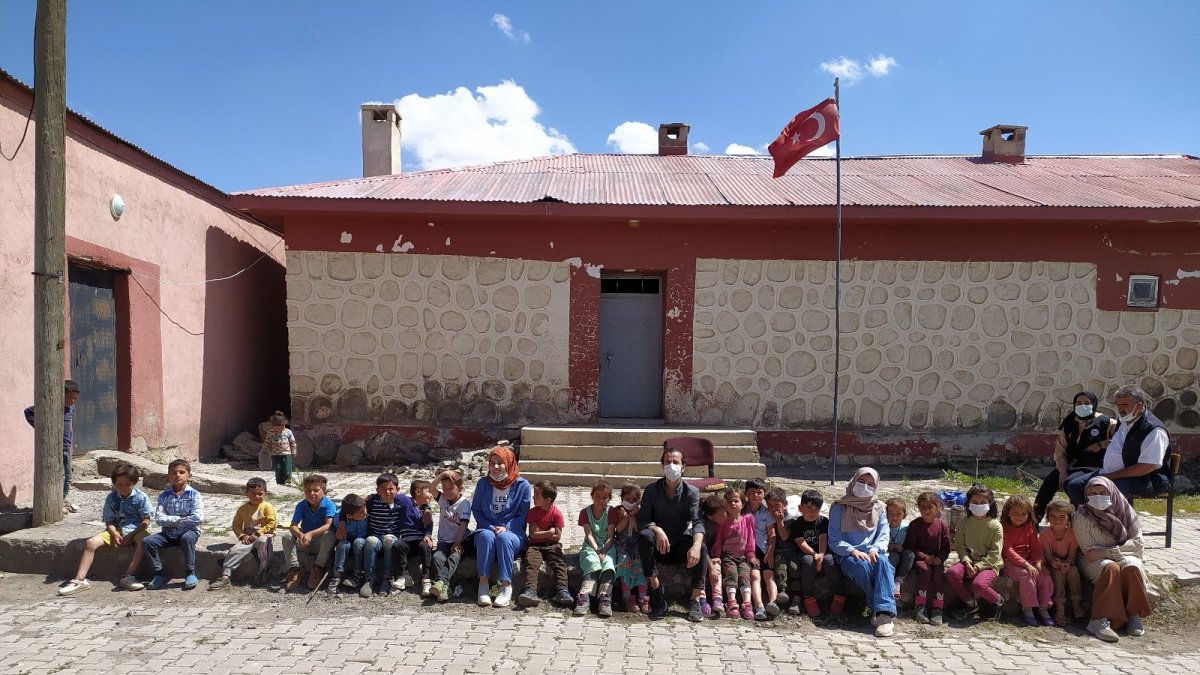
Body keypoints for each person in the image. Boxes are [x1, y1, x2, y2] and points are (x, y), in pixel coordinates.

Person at [637, 447, 710, 622]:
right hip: (658, 546)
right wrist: (657, 529)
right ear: (662, 465)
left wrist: (695, 546)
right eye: (667, 462)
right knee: (645, 536)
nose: (671, 466)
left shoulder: (692, 492)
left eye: (675, 462)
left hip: (678, 544)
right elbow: (642, 520)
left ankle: (695, 599)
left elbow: (698, 522)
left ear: (683, 466)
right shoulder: (651, 490)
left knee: (701, 547)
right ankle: (655, 588)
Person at [1074, 475, 1151, 643]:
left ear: (1112, 493)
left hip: (1120, 555)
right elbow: (1090, 553)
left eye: (1103, 493)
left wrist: (1109, 552)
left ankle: (1133, 614)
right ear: (1087, 495)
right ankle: (1098, 620)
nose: (1098, 497)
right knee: (1110, 568)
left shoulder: (1125, 510)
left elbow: (1138, 544)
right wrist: (1119, 551)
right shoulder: (1081, 516)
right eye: (1093, 493)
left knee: (1132, 566)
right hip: (1091, 562)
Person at [1065, 385, 1169, 506]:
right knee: (1074, 486)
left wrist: (1110, 476)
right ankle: (1091, 516)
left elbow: (1147, 466)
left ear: (1139, 405)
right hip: (1111, 472)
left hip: (1144, 478)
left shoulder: (1153, 430)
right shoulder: (1124, 420)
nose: (1120, 409)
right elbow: (1123, 444)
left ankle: (1109, 517)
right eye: (1118, 405)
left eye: (1124, 405)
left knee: (1103, 491)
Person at [58, 462, 152, 595]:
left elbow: (146, 520)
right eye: (119, 484)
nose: (123, 488)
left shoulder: (141, 497)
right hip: (117, 530)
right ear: (114, 483)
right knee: (91, 543)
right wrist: (114, 534)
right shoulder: (111, 498)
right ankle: (79, 580)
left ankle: (128, 576)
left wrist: (131, 534)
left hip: (137, 530)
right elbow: (109, 521)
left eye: (127, 484)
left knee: (144, 541)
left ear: (134, 483)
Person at [828, 467, 896, 637]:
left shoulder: (880, 508)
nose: (865, 486)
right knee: (862, 567)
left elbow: (884, 534)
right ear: (854, 481)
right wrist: (852, 551)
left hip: (874, 553)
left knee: (883, 562)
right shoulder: (839, 507)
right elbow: (834, 539)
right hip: (848, 555)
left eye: (870, 484)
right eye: (861, 481)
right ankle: (879, 610)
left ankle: (884, 616)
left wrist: (875, 549)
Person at [1036, 391, 1115, 522]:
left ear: (1094, 404)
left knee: (1072, 483)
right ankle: (1035, 518)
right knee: (1051, 480)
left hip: (1096, 468)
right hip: (1074, 466)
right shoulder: (1070, 425)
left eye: (1086, 403)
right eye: (1079, 403)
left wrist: (1101, 444)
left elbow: (1122, 442)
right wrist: (1062, 471)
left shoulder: (1107, 423)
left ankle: (1077, 520)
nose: (1082, 406)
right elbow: (1060, 451)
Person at [471, 445, 531, 608]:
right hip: (487, 528)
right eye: (492, 463)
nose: (495, 467)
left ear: (509, 463)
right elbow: (477, 510)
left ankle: (506, 586)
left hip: (513, 532)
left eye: (500, 463)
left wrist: (507, 527)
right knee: (485, 536)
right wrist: (489, 526)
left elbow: (523, 515)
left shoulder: (522, 485)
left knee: (504, 538)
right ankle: (483, 585)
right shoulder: (483, 484)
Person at [143, 459, 205, 591]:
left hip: (189, 532)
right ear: (168, 476)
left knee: (187, 538)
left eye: (181, 472)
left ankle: (190, 573)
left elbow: (197, 518)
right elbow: (159, 519)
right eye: (173, 473)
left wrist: (170, 520)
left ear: (189, 476)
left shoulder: (194, 495)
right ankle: (159, 573)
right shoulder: (164, 496)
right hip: (168, 534)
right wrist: (179, 519)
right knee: (148, 541)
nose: (177, 475)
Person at [784, 489, 846, 618]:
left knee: (830, 560)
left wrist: (821, 555)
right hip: (806, 553)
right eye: (809, 508)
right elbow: (801, 542)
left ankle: (840, 593)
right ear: (800, 508)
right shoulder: (797, 524)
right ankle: (808, 596)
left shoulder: (823, 521)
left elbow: (823, 539)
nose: (812, 512)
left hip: (823, 551)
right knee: (808, 561)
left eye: (816, 509)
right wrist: (814, 555)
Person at [947, 484, 1004, 622]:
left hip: (989, 564)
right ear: (968, 503)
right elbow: (960, 546)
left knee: (978, 585)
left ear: (990, 503)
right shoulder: (963, 523)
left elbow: (995, 554)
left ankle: (997, 600)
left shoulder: (995, 525)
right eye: (975, 502)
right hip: (968, 561)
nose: (979, 505)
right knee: (952, 573)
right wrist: (967, 562)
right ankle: (970, 603)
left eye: (983, 502)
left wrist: (978, 567)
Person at [209, 477, 277, 590]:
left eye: (260, 494)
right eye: (253, 493)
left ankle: (264, 570)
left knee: (263, 543)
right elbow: (236, 525)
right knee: (235, 550)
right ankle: (225, 575)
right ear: (247, 493)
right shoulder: (242, 509)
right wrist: (243, 535)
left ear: (265, 493)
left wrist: (258, 533)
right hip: (248, 536)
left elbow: (272, 523)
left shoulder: (267, 507)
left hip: (264, 534)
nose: (257, 496)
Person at [24, 379, 80, 512]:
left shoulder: (71, 408)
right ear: (61, 395)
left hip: (67, 448)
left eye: (75, 398)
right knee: (60, 476)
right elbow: (28, 412)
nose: (72, 401)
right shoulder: (53, 406)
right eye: (70, 398)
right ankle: (56, 504)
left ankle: (62, 500)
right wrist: (42, 428)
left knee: (68, 477)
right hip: (55, 448)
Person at [1000, 494, 1054, 626]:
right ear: (1008, 512)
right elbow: (1008, 550)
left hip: (1027, 559)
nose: (1019, 517)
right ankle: (1028, 608)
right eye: (1015, 513)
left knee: (1044, 575)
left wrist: (1038, 562)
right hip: (1010, 562)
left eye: (1023, 514)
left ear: (1029, 514)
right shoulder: (1004, 528)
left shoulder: (1029, 527)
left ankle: (1043, 607)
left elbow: (1036, 548)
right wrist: (1026, 565)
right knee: (1026, 575)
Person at [361, 472, 416, 598]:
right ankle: (369, 579)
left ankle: (387, 578)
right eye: (383, 489)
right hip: (375, 536)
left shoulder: (401, 503)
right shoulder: (372, 502)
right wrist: (362, 498)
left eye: (391, 489)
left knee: (389, 540)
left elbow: (419, 504)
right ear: (377, 490)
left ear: (397, 489)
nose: (387, 492)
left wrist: (428, 509)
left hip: (392, 537)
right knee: (370, 541)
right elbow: (352, 504)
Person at [278, 473, 336, 592]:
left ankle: (317, 569)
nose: (311, 494)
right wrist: (301, 535)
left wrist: (311, 534)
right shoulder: (302, 505)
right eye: (308, 491)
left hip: (320, 541)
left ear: (324, 492)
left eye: (316, 490)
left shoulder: (329, 505)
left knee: (330, 535)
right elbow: (293, 525)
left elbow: (328, 525)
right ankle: (295, 570)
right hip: (305, 541)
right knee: (287, 536)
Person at [518, 479, 571, 608]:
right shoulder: (533, 512)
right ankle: (530, 590)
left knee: (559, 563)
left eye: (537, 495)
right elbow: (533, 534)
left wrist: (542, 532)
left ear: (548, 500)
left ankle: (563, 590)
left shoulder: (557, 514)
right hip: (535, 545)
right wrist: (549, 532)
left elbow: (557, 537)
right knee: (532, 562)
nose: (533, 497)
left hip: (552, 545)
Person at [904, 492, 951, 626]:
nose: (926, 511)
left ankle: (937, 608)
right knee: (925, 571)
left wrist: (940, 559)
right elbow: (910, 547)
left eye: (930, 507)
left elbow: (946, 547)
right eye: (923, 507)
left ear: (937, 508)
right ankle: (919, 606)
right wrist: (924, 558)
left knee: (938, 572)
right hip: (920, 559)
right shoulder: (915, 525)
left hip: (936, 559)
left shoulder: (942, 525)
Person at [575, 480, 617, 617]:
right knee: (592, 562)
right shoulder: (585, 512)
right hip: (591, 545)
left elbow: (610, 536)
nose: (600, 500)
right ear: (592, 495)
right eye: (597, 496)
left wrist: (604, 551)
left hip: (607, 545)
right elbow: (589, 534)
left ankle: (605, 598)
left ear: (609, 499)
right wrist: (597, 551)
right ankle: (584, 596)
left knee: (608, 564)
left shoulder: (611, 512)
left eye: (604, 497)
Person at [713, 488, 757, 620]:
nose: (733, 504)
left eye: (736, 501)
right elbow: (718, 539)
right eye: (729, 501)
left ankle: (747, 603)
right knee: (731, 574)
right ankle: (731, 602)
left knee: (745, 575)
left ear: (742, 504)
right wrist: (716, 555)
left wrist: (751, 554)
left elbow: (751, 538)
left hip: (742, 557)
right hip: (727, 555)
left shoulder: (747, 519)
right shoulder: (724, 521)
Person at [1039, 499, 1084, 626]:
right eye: (1053, 516)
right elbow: (1048, 556)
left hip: (1068, 563)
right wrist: (1055, 563)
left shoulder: (1073, 534)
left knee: (1073, 572)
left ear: (1068, 519)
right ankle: (1060, 607)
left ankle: (1076, 603)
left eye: (1062, 517)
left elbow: (1072, 556)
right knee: (1057, 574)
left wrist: (1067, 564)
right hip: (1052, 564)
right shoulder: (1044, 535)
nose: (1057, 520)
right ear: (1047, 518)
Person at [430, 471, 472, 602]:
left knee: (454, 557)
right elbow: (431, 488)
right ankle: (445, 588)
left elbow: (463, 524)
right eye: (444, 488)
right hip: (444, 540)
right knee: (437, 557)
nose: (447, 492)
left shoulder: (464, 503)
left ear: (460, 488)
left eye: (451, 488)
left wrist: (458, 542)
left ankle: (440, 582)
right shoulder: (443, 499)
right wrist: (442, 474)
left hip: (460, 540)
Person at [743, 478, 780, 618]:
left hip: (764, 549)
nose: (756, 495)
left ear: (764, 494)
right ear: (746, 493)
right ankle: (759, 606)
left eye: (759, 492)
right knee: (754, 575)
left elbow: (772, 535)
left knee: (769, 575)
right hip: (748, 550)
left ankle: (773, 603)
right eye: (752, 492)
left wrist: (770, 552)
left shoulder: (766, 513)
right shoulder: (742, 511)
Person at [613, 482, 649, 614]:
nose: (631, 502)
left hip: (636, 544)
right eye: (628, 499)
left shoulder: (641, 512)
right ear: (622, 498)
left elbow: (638, 530)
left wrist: (633, 517)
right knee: (624, 561)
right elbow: (618, 529)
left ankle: (642, 596)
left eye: (635, 499)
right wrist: (626, 517)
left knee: (640, 562)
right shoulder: (618, 510)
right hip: (622, 545)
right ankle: (627, 596)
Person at [394, 479, 434, 594]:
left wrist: (427, 535)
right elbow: (393, 495)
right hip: (407, 541)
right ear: (418, 492)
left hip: (419, 540)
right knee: (398, 545)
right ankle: (405, 575)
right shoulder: (407, 502)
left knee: (425, 545)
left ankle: (426, 578)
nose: (431, 495)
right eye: (428, 491)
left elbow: (429, 525)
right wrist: (371, 496)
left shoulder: (427, 509)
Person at [326, 493, 368, 595]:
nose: (365, 513)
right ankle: (336, 576)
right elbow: (339, 536)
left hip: (362, 544)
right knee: (343, 544)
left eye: (365, 510)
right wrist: (342, 523)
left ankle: (358, 573)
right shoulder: (339, 519)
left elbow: (361, 501)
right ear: (349, 515)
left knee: (359, 542)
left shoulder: (365, 513)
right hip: (347, 543)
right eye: (361, 513)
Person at [885, 497, 915, 600]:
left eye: (898, 514)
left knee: (910, 554)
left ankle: (898, 582)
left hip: (903, 554)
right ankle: (889, 582)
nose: (894, 517)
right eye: (891, 513)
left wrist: (903, 547)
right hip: (890, 555)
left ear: (904, 514)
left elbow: (912, 543)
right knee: (894, 556)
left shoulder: (907, 528)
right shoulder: (883, 527)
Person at [262, 410, 297, 487]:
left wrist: (294, 451)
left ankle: (288, 482)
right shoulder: (271, 433)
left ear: (284, 424)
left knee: (287, 469)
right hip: (275, 455)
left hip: (286, 454)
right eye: (276, 426)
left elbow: (292, 442)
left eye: (281, 426)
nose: (278, 428)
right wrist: (264, 449)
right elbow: (267, 442)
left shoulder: (288, 432)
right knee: (278, 469)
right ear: (273, 425)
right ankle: (280, 483)